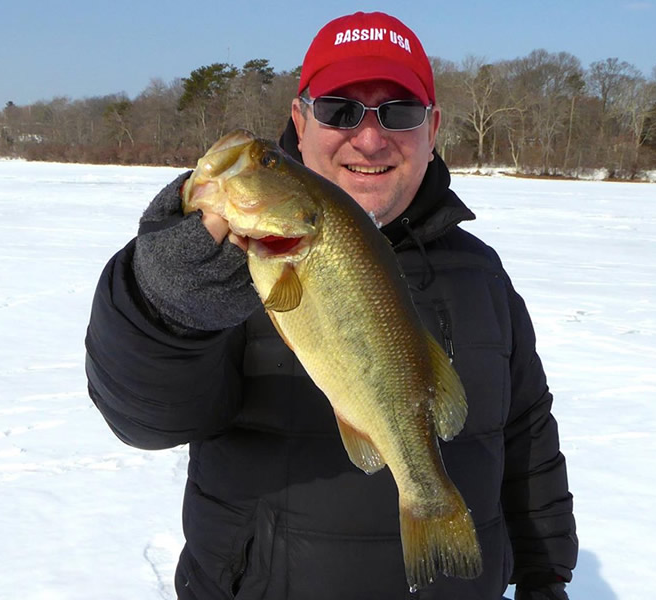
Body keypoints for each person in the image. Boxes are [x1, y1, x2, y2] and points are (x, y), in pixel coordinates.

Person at [85, 11, 577, 600]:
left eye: (399, 112)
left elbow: (527, 434)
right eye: (340, 111)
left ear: (433, 128)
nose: (369, 139)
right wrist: (166, 307)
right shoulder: (227, 264)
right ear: (300, 120)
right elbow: (145, 419)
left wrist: (546, 574)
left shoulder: (483, 274)